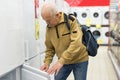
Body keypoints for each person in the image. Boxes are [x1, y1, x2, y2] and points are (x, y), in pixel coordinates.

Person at [40, 2, 89, 80]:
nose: (47, 23)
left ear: (57, 15)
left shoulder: (70, 21)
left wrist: (61, 61)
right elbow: (50, 48)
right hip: (64, 62)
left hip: (79, 59)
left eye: (48, 20)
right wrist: (47, 62)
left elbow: (76, 44)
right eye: (45, 21)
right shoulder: (49, 28)